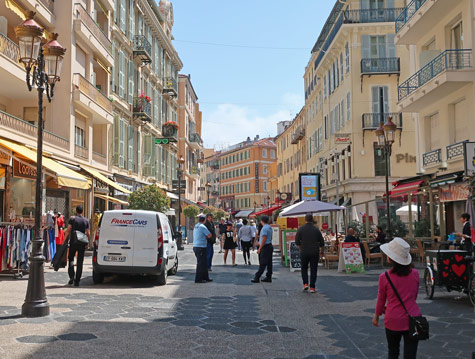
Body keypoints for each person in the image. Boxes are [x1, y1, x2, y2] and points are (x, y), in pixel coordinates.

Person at [373, 237, 421, 359]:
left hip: (393, 318)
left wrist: (377, 316)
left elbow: (381, 299)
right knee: (411, 354)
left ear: (390, 259)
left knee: (393, 351)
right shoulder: (415, 273)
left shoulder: (384, 277)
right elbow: (414, 296)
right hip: (413, 318)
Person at [295, 213, 324, 293]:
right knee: (313, 269)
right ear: (312, 220)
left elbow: (297, 241)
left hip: (304, 251)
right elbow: (322, 242)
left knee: (304, 268)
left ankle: (305, 284)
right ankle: (312, 287)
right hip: (314, 252)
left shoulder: (301, 229)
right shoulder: (316, 229)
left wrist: (300, 247)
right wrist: (322, 251)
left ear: (305, 220)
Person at [64, 206, 90, 286]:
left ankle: (72, 276)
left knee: (71, 259)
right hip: (81, 243)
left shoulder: (72, 219)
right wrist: (87, 243)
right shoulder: (86, 220)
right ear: (82, 211)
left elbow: (68, 230)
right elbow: (88, 233)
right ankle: (77, 280)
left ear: (76, 211)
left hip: (73, 242)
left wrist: (64, 240)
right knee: (80, 261)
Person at [251, 215, 273, 283]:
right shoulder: (269, 227)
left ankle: (257, 276)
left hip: (265, 246)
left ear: (261, 221)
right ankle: (268, 276)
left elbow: (264, 238)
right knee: (269, 263)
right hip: (269, 245)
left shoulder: (264, 228)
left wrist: (259, 248)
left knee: (263, 263)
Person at [193, 215, 212, 283]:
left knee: (203, 263)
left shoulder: (196, 226)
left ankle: (205, 277)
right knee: (201, 263)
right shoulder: (202, 226)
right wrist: (206, 237)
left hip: (196, 246)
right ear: (205, 220)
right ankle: (198, 279)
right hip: (201, 246)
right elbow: (209, 235)